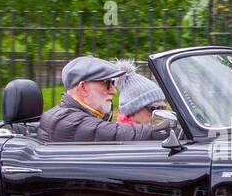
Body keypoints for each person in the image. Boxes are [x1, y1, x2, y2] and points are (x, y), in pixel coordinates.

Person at [37, 56, 169, 142]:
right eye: (107, 83)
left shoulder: (70, 115)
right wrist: (173, 131)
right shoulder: (67, 121)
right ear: (83, 88)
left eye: (113, 83)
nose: (114, 90)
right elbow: (119, 134)